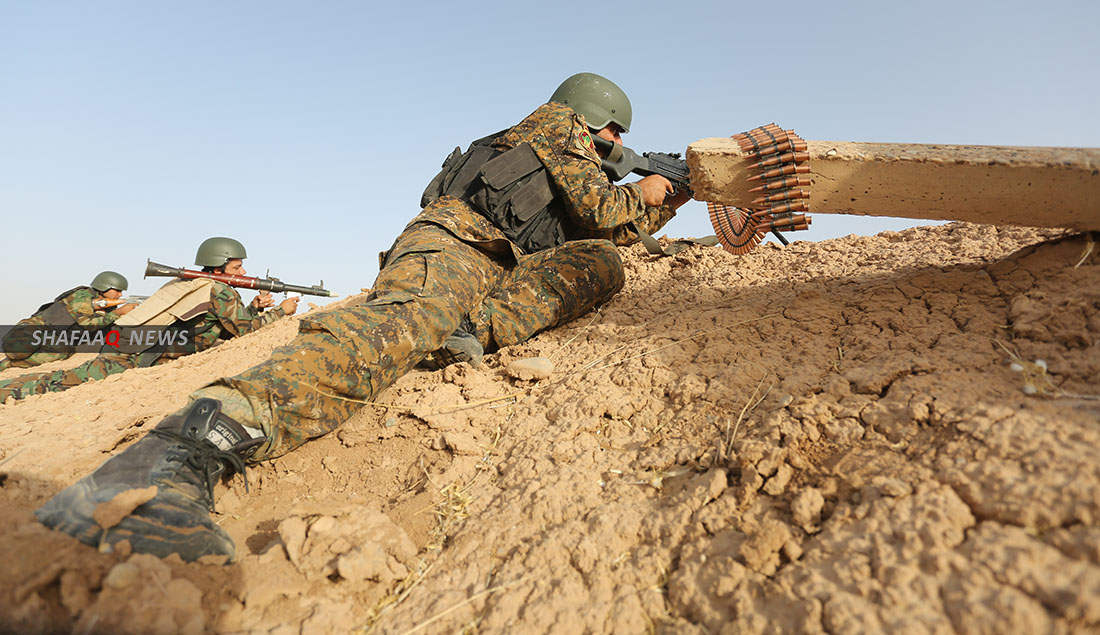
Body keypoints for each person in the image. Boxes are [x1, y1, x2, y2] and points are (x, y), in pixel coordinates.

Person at [36, 73, 690, 562]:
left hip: (503, 266)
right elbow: (603, 207)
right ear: (597, 118)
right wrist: (647, 188)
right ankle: (180, 452)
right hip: (456, 244)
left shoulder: (573, 151)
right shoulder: (557, 122)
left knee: (601, 262)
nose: (618, 145)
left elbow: (607, 230)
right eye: (616, 135)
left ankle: (468, 331)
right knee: (400, 325)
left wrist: (669, 197)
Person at [0, 237, 298, 400]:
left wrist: (255, 307)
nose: (244, 273)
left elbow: (223, 328)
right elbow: (245, 331)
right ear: (219, 268)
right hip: (132, 354)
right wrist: (280, 311)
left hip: (131, 346)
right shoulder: (218, 291)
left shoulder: (194, 283)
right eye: (236, 268)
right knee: (57, 384)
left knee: (61, 378)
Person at [0, 271, 137, 371]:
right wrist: (118, 313)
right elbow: (87, 324)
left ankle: (9, 364)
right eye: (117, 290)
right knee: (19, 351)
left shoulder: (108, 305)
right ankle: (11, 360)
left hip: (54, 337)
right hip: (34, 328)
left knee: (61, 353)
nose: (120, 294)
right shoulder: (82, 297)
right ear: (104, 286)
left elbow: (103, 326)